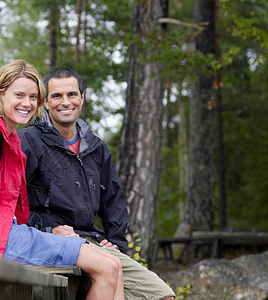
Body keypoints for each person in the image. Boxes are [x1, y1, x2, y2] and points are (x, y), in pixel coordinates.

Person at [0, 60, 124, 299]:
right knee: (107, 267)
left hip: (13, 232)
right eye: (19, 95)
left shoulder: (11, 138)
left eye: (33, 97)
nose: (27, 104)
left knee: (114, 266)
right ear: (0, 94)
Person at [18, 66, 176, 300]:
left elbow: (114, 202)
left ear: (82, 97)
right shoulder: (29, 142)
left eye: (72, 94)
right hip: (53, 240)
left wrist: (115, 243)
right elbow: (11, 204)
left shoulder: (96, 147)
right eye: (56, 96)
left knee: (163, 296)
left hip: (93, 241)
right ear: (46, 102)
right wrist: (48, 228)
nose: (65, 102)